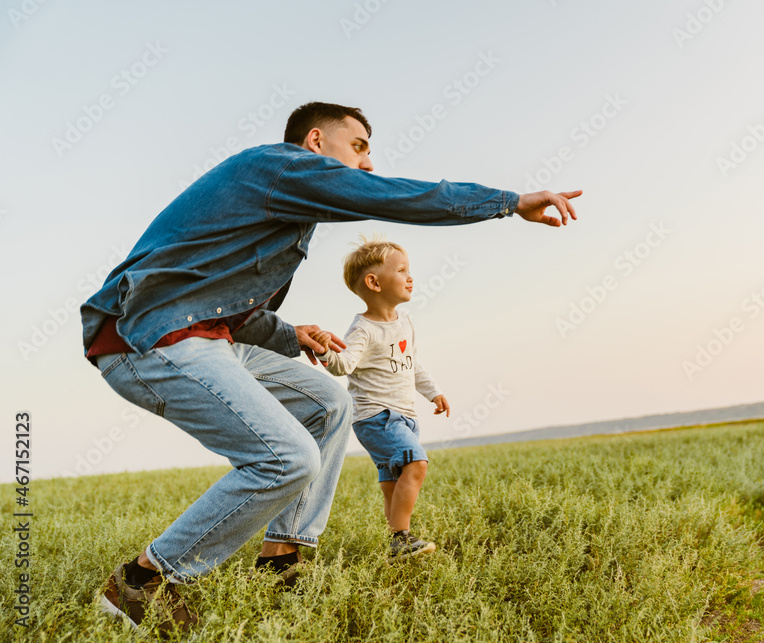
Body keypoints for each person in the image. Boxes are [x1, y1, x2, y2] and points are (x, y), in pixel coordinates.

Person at [81, 101, 580, 635]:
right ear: (316, 141)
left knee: (330, 404)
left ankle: (281, 560)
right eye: (359, 147)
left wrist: (289, 334)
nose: (367, 163)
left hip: (206, 337)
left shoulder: (281, 203)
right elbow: (391, 195)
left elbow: (226, 307)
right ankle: (143, 581)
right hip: (147, 339)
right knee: (286, 459)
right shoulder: (278, 166)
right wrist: (509, 202)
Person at [313, 236, 447, 563]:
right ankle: (401, 538)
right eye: (401, 271)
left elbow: (412, 363)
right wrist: (325, 349)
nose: (410, 277)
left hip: (405, 417)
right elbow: (344, 365)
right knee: (416, 464)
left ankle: (395, 543)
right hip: (377, 417)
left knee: (393, 482)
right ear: (374, 283)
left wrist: (433, 392)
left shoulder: (406, 322)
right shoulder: (363, 329)